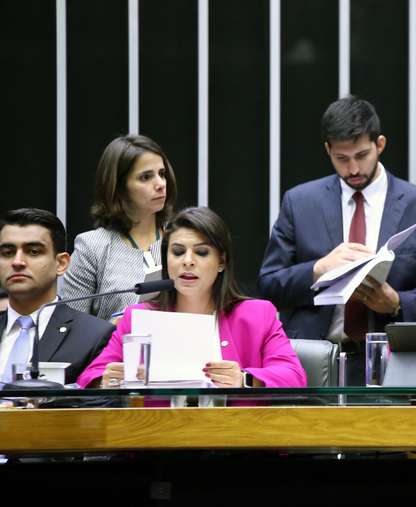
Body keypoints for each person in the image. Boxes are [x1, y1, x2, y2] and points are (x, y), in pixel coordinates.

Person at [257, 96, 416, 386]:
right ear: (328, 150)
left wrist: (397, 303)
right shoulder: (300, 202)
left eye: (361, 155)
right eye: (342, 158)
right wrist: (318, 269)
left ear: (380, 144)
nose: (353, 169)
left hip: (393, 362)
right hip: (313, 360)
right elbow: (268, 284)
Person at [77, 207, 306, 388]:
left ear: (222, 261)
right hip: (154, 437)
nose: (188, 261)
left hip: (236, 439)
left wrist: (244, 379)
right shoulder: (138, 317)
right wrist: (106, 381)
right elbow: (90, 376)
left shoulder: (257, 314)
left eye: (201, 252)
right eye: (177, 252)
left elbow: (294, 376)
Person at [61, 134, 178, 321]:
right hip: (116, 348)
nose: (160, 184)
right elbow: (68, 328)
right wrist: (115, 327)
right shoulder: (92, 247)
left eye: (162, 174)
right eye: (146, 177)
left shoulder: (182, 239)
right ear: (119, 187)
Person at [0, 208, 114, 385]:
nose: (17, 262)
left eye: (34, 252)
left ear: (61, 264)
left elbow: (98, 404)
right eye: (7, 253)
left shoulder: (94, 336)